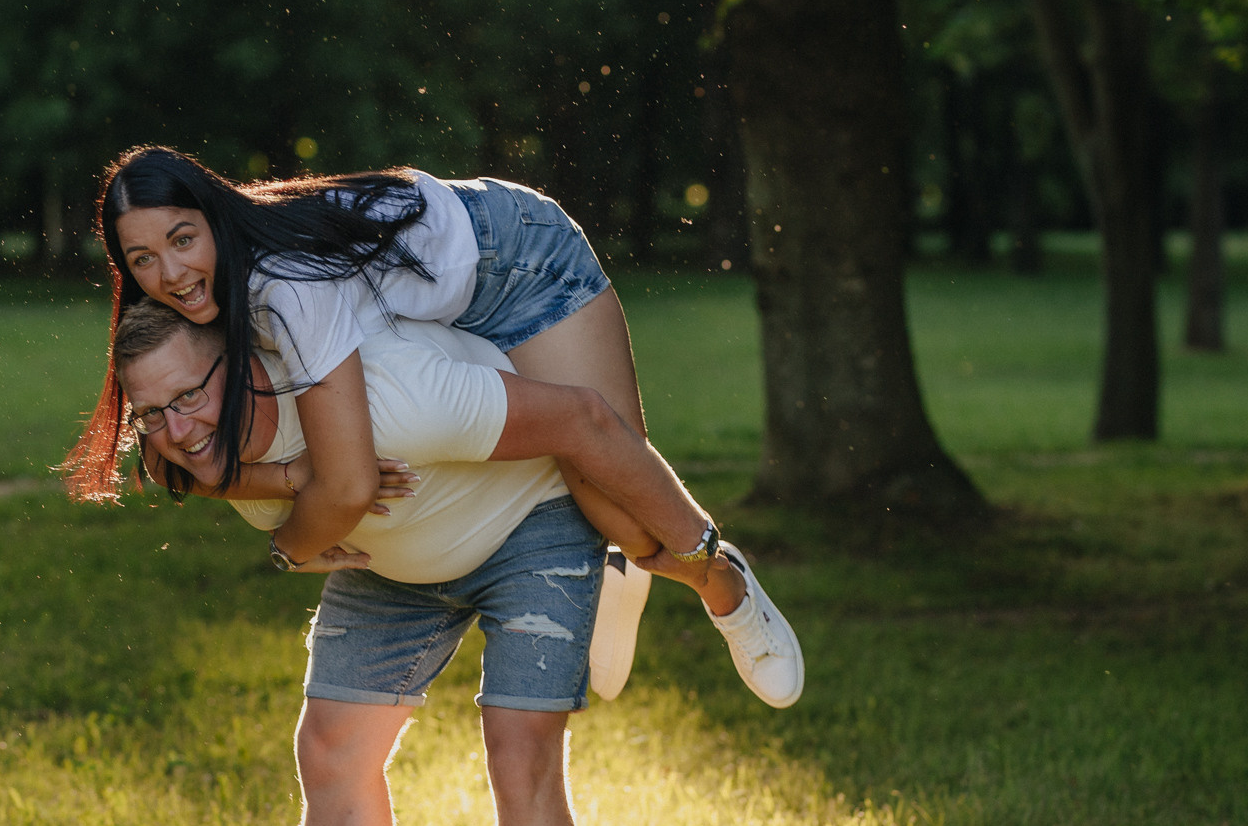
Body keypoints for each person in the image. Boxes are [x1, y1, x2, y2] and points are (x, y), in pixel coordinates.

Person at [108, 296, 765, 826]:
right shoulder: (181, 449)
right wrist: (300, 512)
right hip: (394, 557)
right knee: (332, 749)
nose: (177, 427)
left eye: (189, 398)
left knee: (519, 755)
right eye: (151, 412)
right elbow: (188, 460)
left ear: (244, 365)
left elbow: (572, 421)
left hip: (528, 518)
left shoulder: (394, 392)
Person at [60, 145, 802, 705]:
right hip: (442, 310)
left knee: (617, 499)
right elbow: (173, 459)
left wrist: (290, 547)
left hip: (519, 262)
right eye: (142, 258)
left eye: (182, 240)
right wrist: (285, 480)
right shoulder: (190, 312)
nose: (170, 273)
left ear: (214, 215)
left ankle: (721, 580)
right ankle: (625, 561)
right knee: (606, 507)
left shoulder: (281, 282)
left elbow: (348, 484)